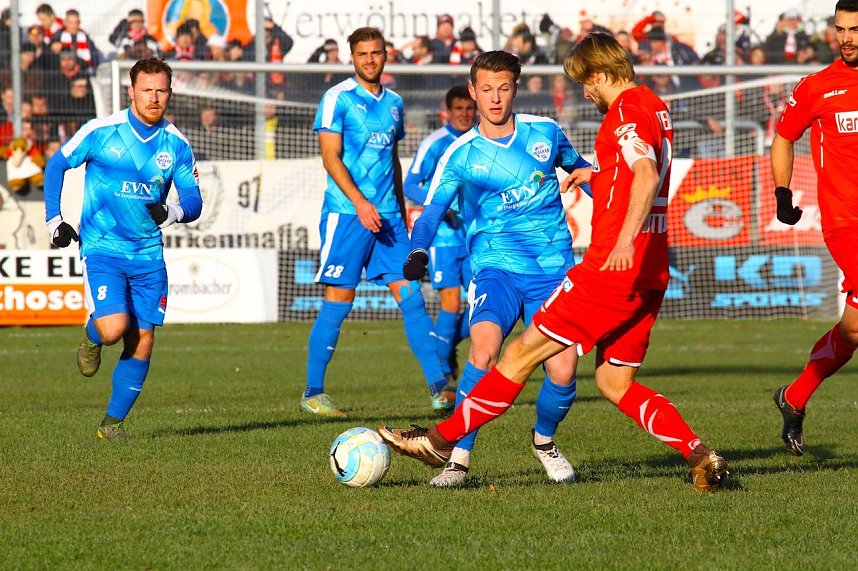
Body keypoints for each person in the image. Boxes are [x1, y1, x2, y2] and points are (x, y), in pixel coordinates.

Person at [379, 33, 730, 493]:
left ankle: (452, 441)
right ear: (472, 89)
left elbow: (642, 172)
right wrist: (597, 177)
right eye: (486, 88)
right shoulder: (652, 105)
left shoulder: (584, 122)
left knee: (528, 357)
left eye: (587, 84)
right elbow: (629, 171)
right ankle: (701, 454)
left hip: (598, 270)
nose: (585, 93)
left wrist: (621, 235)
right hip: (603, 270)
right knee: (611, 381)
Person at [395, 51, 592, 487]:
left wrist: (612, 196)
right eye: (486, 89)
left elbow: (583, 172)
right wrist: (418, 249)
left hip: (553, 271)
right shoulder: (460, 153)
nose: (495, 98)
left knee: (562, 372)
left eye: (504, 87)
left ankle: (544, 441)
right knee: (483, 352)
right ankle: (458, 457)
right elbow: (431, 211)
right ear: (472, 91)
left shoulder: (545, 132)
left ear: (516, 87)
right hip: (495, 269)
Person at [43, 58, 203, 440]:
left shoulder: (176, 144)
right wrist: (55, 220)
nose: (154, 97)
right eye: (146, 89)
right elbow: (56, 165)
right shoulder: (102, 131)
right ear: (131, 91)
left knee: (144, 337)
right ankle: (92, 335)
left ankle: (112, 425)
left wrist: (173, 211)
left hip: (148, 255)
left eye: (161, 90)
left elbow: (195, 202)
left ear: (170, 92)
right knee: (114, 328)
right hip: (103, 248)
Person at [302, 27, 451, 418]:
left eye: (376, 53)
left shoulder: (396, 104)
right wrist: (361, 202)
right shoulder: (336, 99)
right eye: (363, 53)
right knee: (339, 301)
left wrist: (398, 208)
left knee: (412, 296)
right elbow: (330, 157)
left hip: (388, 219)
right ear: (352, 57)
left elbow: (393, 160)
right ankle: (313, 392)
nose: (370, 59)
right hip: (347, 214)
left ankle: (439, 388)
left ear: (386, 56)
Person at [770, 0, 858, 457]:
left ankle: (795, 397)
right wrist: (783, 193)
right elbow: (784, 137)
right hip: (847, 223)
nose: (847, 38)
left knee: (853, 330)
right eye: (841, 29)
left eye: (855, 29)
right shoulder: (818, 87)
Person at [403, 85, 476, 386]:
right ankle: (443, 368)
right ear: (448, 112)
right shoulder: (435, 143)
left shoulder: (479, 140)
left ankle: (446, 351)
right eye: (458, 109)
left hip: (473, 236)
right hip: (444, 239)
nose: (464, 114)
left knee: (481, 305)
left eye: (469, 108)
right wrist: (438, 204)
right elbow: (409, 185)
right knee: (451, 303)